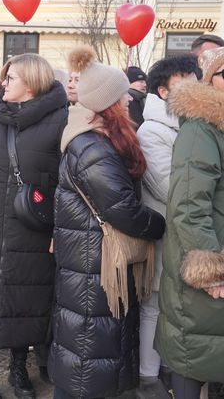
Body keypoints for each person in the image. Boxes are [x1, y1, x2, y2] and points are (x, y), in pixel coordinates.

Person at [49, 46, 166, 398]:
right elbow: (123, 210)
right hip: (94, 265)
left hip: (92, 261)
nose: (130, 101)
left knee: (90, 347)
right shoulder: (93, 148)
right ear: (108, 105)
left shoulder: (93, 140)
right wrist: (160, 224)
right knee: (89, 350)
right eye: (123, 97)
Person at [0, 54, 67, 399]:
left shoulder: (61, 121)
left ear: (31, 85)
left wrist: (58, 229)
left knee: (26, 299)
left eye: (11, 78)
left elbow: (67, 183)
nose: (3, 84)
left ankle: (20, 368)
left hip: (32, 230)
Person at [155, 47, 224, 397]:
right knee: (193, 352)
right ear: (210, 81)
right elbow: (188, 205)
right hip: (205, 263)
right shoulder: (201, 129)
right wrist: (210, 269)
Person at [136, 54, 199, 397]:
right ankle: (148, 377)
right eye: (182, 80)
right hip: (166, 232)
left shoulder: (196, 124)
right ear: (162, 91)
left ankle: (170, 372)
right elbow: (168, 188)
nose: (192, 85)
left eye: (194, 78)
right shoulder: (152, 131)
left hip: (189, 234)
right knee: (155, 305)